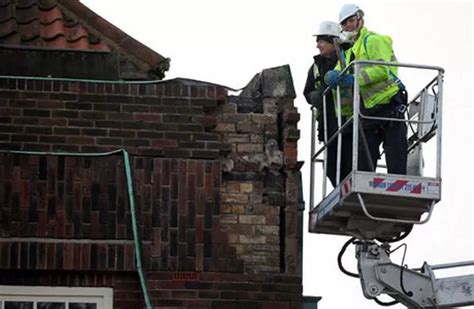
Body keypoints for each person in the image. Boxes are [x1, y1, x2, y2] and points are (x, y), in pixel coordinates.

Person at [325, 4, 408, 175]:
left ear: (360, 19)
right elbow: (342, 69)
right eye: (344, 23)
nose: (348, 26)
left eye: (351, 21)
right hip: (369, 109)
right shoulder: (351, 51)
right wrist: (333, 75)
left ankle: (398, 182)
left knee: (395, 155)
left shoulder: (373, 40)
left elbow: (382, 69)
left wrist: (355, 79)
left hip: (389, 103)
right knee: (364, 162)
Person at [304, 21, 352, 187]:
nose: (318, 46)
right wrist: (314, 97)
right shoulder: (316, 67)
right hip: (328, 121)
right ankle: (341, 190)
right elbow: (307, 91)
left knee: (350, 161)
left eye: (321, 41)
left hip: (348, 119)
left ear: (332, 41)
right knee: (332, 167)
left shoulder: (347, 58)